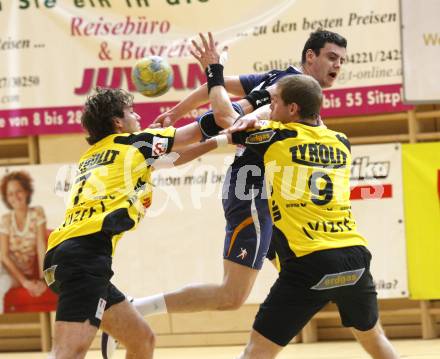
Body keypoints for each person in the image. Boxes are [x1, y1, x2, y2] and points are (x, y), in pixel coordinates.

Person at [102, 29, 347, 340]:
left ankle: (263, 344)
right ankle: (134, 310)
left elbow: (215, 89)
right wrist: (212, 77)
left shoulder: (286, 83)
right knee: (233, 295)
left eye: (341, 60)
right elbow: (225, 114)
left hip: (277, 199)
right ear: (311, 56)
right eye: (332, 57)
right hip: (254, 190)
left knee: (303, 279)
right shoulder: (282, 87)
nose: (338, 65)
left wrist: (178, 111)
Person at [194, 32, 400, 359]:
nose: (267, 109)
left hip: (310, 262)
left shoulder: (275, 137)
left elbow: (224, 118)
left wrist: (214, 71)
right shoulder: (341, 141)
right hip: (355, 258)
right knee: (376, 340)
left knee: (256, 352)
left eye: (272, 103)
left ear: (291, 108)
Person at [43, 87, 228, 359]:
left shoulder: (97, 154)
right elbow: (199, 129)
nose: (138, 115)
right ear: (117, 122)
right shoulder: (135, 143)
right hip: (85, 256)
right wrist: (247, 112)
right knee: (68, 352)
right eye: (131, 111)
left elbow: (172, 158)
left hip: (68, 254)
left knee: (141, 339)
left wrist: (221, 141)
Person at [0, 171, 48, 311]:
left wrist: (42, 279)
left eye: (18, 191)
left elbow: (41, 247)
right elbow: (3, 255)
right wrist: (25, 282)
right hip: (4, 265)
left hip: (13, 273)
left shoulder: (37, 213)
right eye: (10, 194)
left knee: (2, 284)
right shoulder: (6, 219)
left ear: (26, 191)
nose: (15, 197)